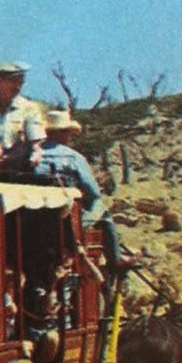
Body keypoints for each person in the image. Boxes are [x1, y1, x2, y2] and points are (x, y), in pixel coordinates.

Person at [33, 109, 124, 268]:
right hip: (63, 216)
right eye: (69, 134)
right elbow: (93, 193)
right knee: (102, 209)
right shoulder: (73, 157)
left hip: (32, 215)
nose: (70, 138)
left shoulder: (30, 154)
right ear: (64, 133)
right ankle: (115, 259)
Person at [0, 61, 45, 168]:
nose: (17, 87)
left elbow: (35, 142)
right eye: (13, 81)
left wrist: (36, 154)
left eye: (21, 82)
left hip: (16, 164)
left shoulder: (28, 109)